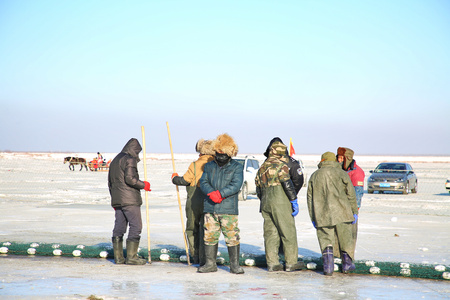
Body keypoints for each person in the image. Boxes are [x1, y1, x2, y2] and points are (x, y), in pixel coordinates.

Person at [198, 133, 244, 274]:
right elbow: (203, 181)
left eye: (223, 153)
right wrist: (211, 193)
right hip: (210, 207)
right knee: (210, 235)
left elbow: (236, 184)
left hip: (228, 208)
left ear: (229, 153)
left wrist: (220, 194)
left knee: (231, 236)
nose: (220, 156)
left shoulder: (237, 167)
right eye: (218, 153)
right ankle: (210, 264)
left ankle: (234, 265)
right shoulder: (209, 166)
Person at [307, 152, 358, 276]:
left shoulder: (314, 175)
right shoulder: (342, 173)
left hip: (321, 214)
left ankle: (328, 267)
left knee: (326, 240)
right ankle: (347, 265)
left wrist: (313, 217)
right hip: (343, 212)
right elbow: (350, 194)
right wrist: (354, 211)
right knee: (345, 239)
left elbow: (309, 198)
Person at [255, 140, 304, 272]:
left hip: (265, 203)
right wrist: (293, 200)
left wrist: (265, 200)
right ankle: (291, 262)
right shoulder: (281, 166)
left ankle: (272, 263)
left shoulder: (262, 167)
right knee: (288, 231)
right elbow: (287, 184)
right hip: (280, 202)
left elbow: (258, 189)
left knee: (271, 233)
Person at [108, 138, 151, 265]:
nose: (137, 155)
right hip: (130, 199)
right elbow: (130, 179)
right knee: (136, 226)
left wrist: (114, 200)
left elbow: (110, 183)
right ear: (134, 150)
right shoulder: (129, 159)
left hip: (118, 199)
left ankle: (119, 257)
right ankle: (132, 257)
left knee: (119, 227)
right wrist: (144, 185)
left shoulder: (115, 160)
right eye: (137, 152)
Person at [171, 139, 215, 265]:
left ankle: (195, 255)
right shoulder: (216, 164)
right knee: (207, 228)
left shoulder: (196, 164)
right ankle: (206, 257)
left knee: (192, 228)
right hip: (211, 199)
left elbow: (185, 180)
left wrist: (174, 178)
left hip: (195, 198)